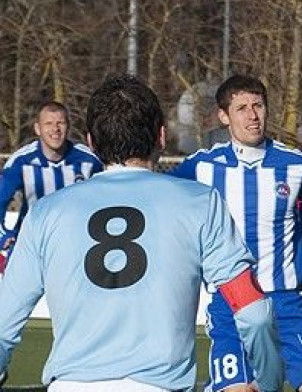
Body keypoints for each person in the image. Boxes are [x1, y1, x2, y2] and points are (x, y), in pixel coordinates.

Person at [0, 75, 282, 392]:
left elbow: (3, 322)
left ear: (91, 142)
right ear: (161, 137)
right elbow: (254, 313)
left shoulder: (46, 212)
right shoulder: (200, 202)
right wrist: (270, 382)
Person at [170, 75, 302, 392]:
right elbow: (164, 202)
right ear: (224, 116)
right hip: (231, 303)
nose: (252, 115)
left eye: (258, 106)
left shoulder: (295, 165)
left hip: (285, 303)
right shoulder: (202, 166)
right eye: (242, 108)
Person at [0, 101, 103, 259]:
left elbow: (106, 196)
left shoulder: (89, 160)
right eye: (48, 123)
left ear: (68, 126)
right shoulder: (21, 162)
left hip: (76, 248)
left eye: (60, 123)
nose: (55, 129)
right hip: (33, 249)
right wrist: (5, 235)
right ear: (37, 129)